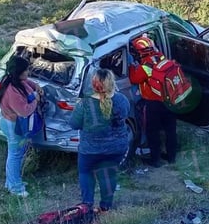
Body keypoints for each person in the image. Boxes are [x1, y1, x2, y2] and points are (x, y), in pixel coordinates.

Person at [69, 69, 130, 212]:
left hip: (90, 149)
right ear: (112, 82)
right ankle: (105, 207)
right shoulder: (121, 100)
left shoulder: (84, 104)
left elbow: (74, 124)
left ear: (93, 84)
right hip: (116, 148)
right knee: (109, 174)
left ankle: (87, 205)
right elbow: (125, 115)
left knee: (85, 172)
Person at [0, 56, 43, 198]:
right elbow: (24, 111)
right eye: (26, 70)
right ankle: (16, 188)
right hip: (13, 126)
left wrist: (36, 86)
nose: (28, 72)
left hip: (12, 124)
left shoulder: (12, 79)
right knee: (15, 155)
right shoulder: (12, 91)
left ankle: (11, 182)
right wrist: (35, 100)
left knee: (16, 153)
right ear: (19, 72)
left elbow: (26, 82)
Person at [128, 36, 177, 167]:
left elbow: (134, 79)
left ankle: (155, 159)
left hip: (154, 103)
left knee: (152, 131)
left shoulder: (145, 66)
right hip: (170, 100)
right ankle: (172, 156)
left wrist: (132, 66)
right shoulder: (161, 56)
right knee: (170, 129)